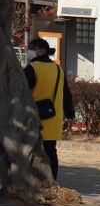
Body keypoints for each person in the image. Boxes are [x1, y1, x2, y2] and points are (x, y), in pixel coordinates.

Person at [24, 37, 73, 180]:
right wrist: (70, 113)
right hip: (53, 116)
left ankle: (33, 180)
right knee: (51, 150)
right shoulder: (58, 68)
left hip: (34, 116)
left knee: (31, 150)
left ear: (41, 50)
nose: (29, 52)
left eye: (32, 49)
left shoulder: (32, 68)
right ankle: (52, 180)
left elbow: (22, 91)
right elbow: (66, 93)